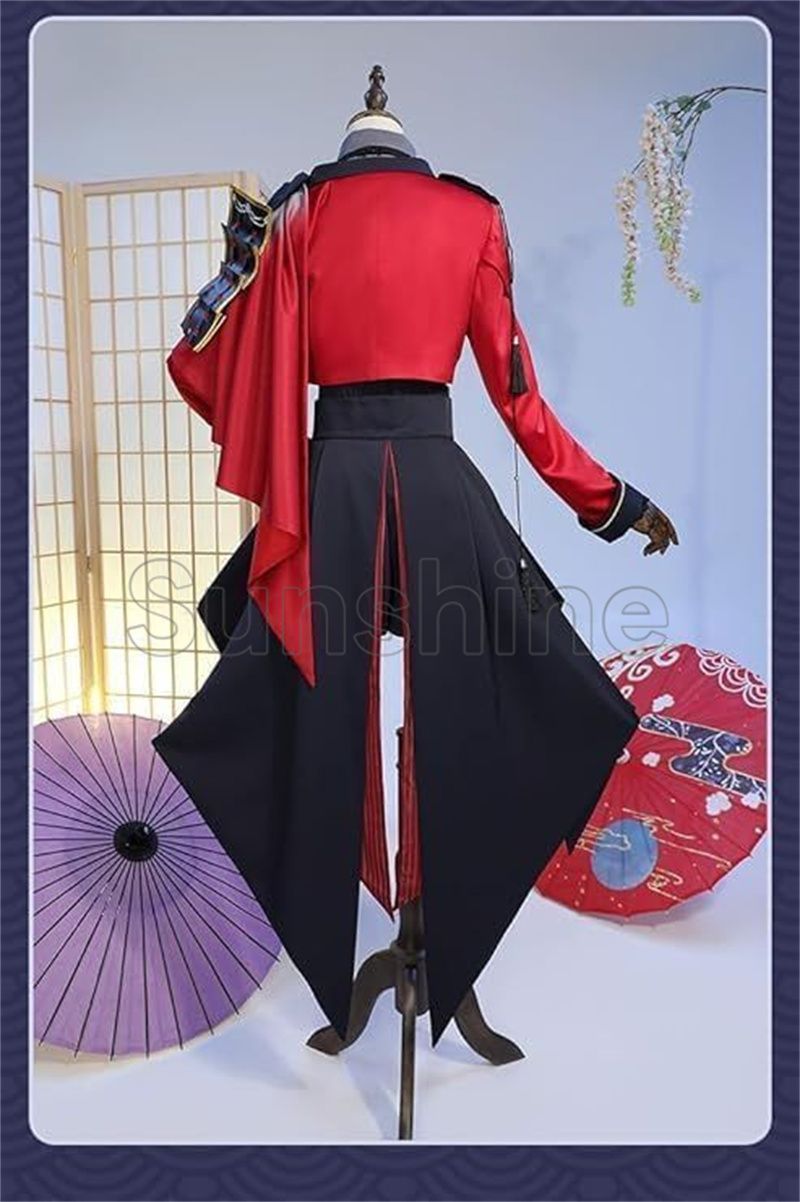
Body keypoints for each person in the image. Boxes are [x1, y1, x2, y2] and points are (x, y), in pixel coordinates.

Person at [152, 67, 678, 1048]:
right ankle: (425, 911)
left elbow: (205, 363)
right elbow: (517, 396)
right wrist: (611, 501)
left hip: (327, 497)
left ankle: (394, 910)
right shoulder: (471, 216)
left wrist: (238, 274)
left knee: (290, 700)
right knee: (503, 690)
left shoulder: (292, 215)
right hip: (435, 488)